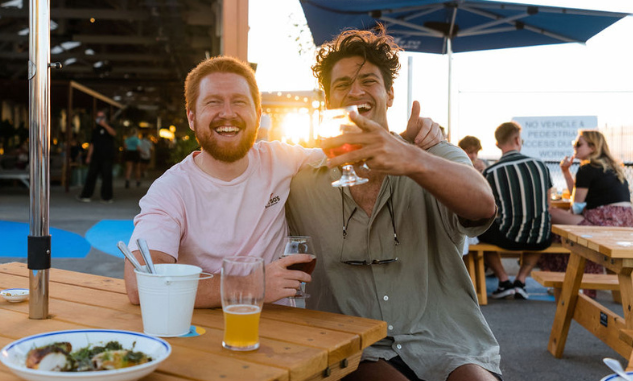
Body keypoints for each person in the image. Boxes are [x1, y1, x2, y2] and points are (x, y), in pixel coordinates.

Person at [124, 55, 442, 307]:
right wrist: (251, 285)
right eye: (212, 103)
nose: (227, 113)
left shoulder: (281, 159)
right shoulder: (170, 190)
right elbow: (140, 284)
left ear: (257, 112)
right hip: (207, 332)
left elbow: (353, 152)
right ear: (192, 116)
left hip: (289, 331)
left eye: (239, 101)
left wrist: (410, 138)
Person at [285, 26, 501, 381]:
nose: (355, 91)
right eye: (342, 84)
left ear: (390, 94)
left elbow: (483, 205)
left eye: (369, 80)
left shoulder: (432, 154)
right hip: (356, 349)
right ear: (328, 101)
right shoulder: (302, 176)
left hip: (447, 343)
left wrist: (412, 160)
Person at [540, 130, 633, 292]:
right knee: (568, 226)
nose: (575, 148)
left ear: (592, 147)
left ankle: (567, 278)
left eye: (578, 144)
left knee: (552, 215)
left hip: (603, 222)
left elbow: (576, 207)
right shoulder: (613, 168)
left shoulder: (587, 169)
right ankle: (577, 278)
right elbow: (579, 202)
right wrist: (566, 173)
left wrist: (565, 174)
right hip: (625, 223)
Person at [478, 122, 553, 300]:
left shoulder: (491, 172)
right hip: (540, 238)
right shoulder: (541, 166)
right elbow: (548, 205)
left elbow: (485, 210)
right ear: (518, 140)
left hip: (508, 237)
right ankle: (520, 280)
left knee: (478, 229)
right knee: (539, 228)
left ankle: (504, 281)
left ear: (497, 144)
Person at [77, 110, 116, 203]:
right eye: (98, 117)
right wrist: (88, 156)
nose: (100, 119)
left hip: (107, 156)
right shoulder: (95, 130)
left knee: (107, 177)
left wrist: (105, 125)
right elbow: (92, 144)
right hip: (96, 156)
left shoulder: (110, 126)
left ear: (105, 118)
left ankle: (107, 197)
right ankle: (86, 195)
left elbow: (114, 134)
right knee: (91, 175)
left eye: (102, 117)